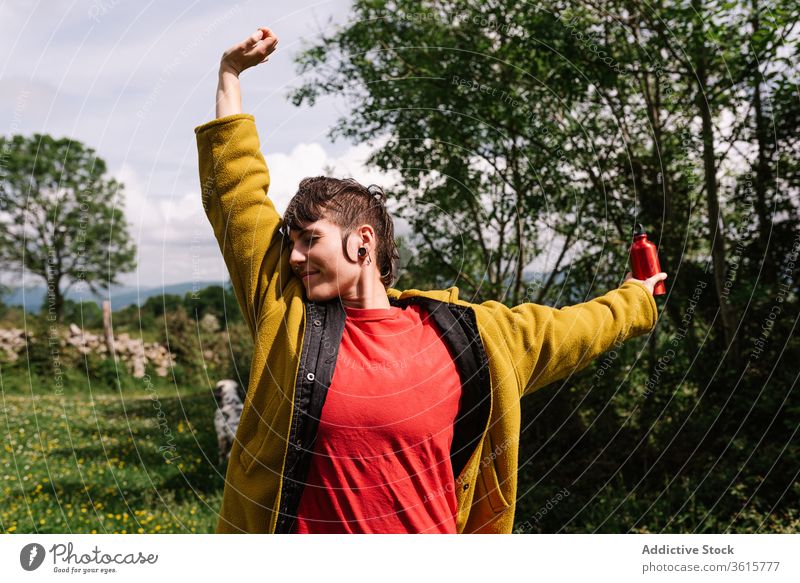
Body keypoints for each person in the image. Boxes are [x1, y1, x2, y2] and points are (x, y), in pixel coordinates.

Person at [195, 27, 667, 534]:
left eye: (310, 239)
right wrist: (230, 75)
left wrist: (638, 297)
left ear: (362, 242)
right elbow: (236, 197)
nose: (292, 256)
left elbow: (573, 328)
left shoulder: (472, 336)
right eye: (292, 242)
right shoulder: (289, 318)